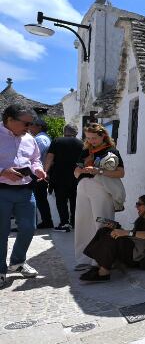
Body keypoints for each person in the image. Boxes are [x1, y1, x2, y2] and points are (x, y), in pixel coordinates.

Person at [0, 104, 47, 285]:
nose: (29, 127)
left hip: (25, 190)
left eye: (31, 123)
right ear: (10, 120)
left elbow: (35, 159)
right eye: (26, 123)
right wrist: (3, 171)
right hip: (1, 190)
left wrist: (38, 169)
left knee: (29, 228)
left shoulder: (29, 138)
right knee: (1, 232)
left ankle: (17, 262)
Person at [73, 123, 125, 271]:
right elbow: (76, 172)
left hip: (101, 187)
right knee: (82, 222)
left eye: (94, 138)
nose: (91, 141)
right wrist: (79, 171)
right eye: (88, 138)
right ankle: (83, 259)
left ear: (103, 136)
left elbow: (121, 173)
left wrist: (98, 171)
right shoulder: (86, 151)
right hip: (83, 187)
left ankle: (101, 260)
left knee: (102, 222)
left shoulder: (111, 151)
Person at [80, 194, 145, 282]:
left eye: (139, 204)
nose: (136, 206)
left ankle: (104, 272)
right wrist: (118, 229)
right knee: (104, 231)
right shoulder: (141, 219)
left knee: (113, 237)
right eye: (137, 204)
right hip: (136, 250)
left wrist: (126, 233)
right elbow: (135, 236)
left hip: (141, 256)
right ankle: (100, 264)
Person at [44, 124, 83, 232]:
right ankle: (74, 222)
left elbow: (50, 157)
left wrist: (45, 171)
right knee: (75, 200)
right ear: (76, 132)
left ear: (64, 131)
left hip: (59, 176)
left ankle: (64, 223)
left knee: (61, 200)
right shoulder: (81, 143)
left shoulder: (57, 141)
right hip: (76, 176)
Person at [29, 118, 53, 229]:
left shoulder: (40, 139)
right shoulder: (45, 138)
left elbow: (33, 156)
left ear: (39, 126)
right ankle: (46, 221)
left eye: (31, 125)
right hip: (41, 172)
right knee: (40, 199)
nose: (29, 127)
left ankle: (41, 222)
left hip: (38, 173)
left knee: (37, 199)